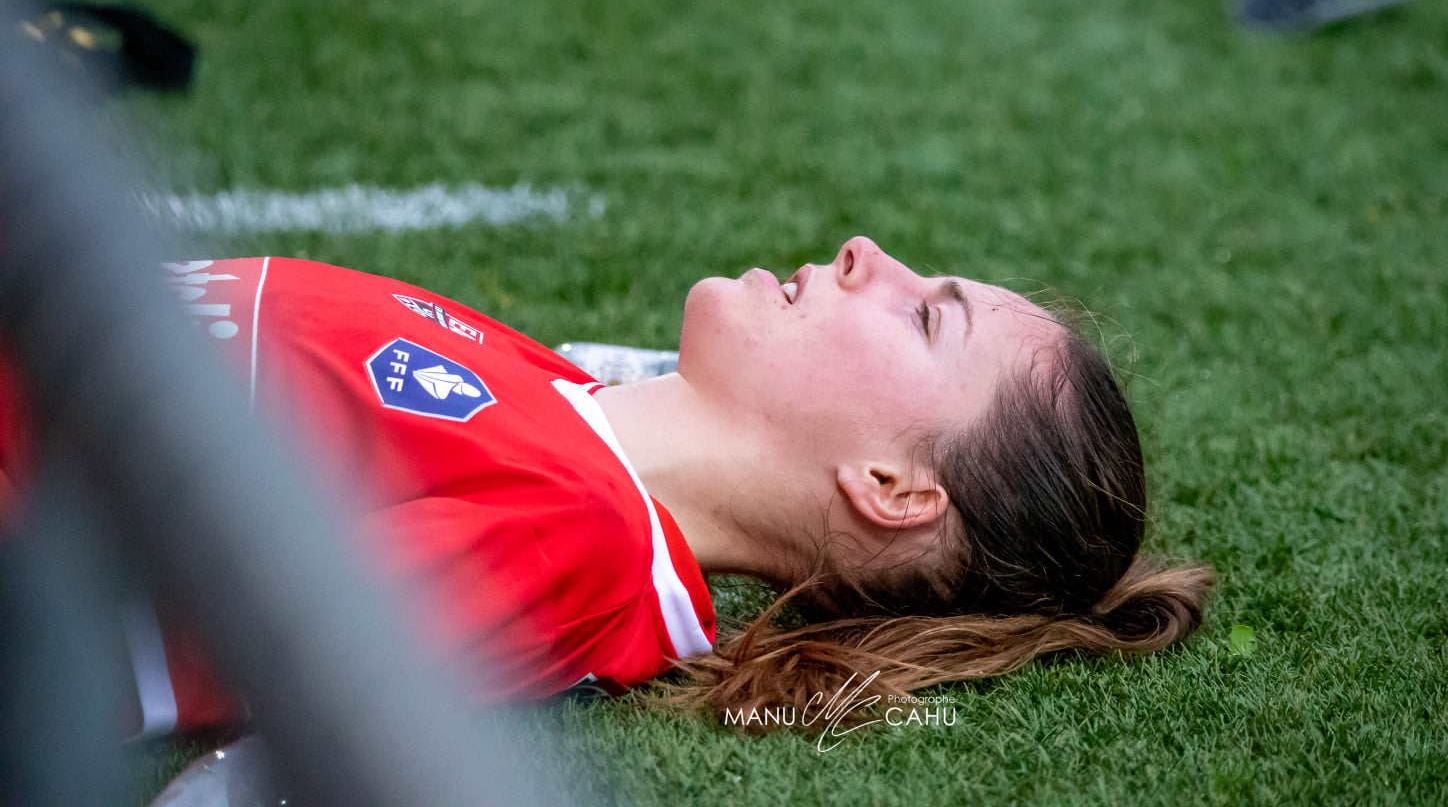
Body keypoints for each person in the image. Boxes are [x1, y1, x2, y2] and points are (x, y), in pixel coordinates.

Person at [2, 234, 1210, 734]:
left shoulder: (577, 538)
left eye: (926, 316)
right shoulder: (569, 402)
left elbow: (252, 650)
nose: (869, 254)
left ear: (892, 484)